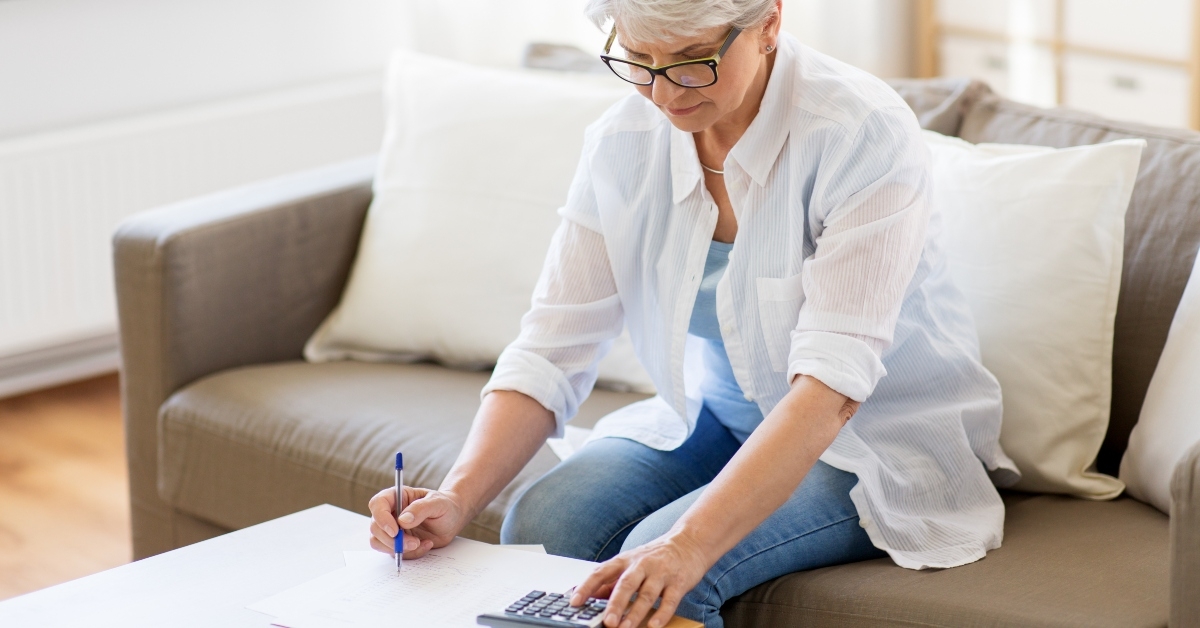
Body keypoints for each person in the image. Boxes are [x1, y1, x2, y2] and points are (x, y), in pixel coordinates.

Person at [368, 1, 1020, 627]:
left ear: (768, 23)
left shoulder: (858, 132)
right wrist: (455, 497)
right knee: (545, 522)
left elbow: (832, 388)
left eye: (691, 59)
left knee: (660, 570)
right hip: (723, 417)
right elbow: (552, 346)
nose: (666, 92)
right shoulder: (625, 139)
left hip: (870, 443)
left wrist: (685, 545)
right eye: (639, 57)